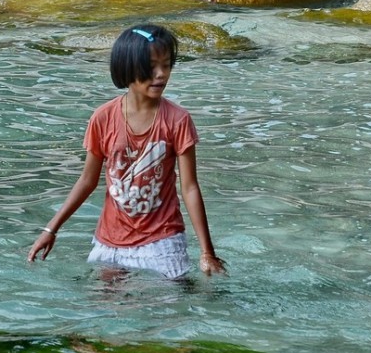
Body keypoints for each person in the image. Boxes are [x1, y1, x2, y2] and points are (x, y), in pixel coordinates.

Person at [28, 24, 226, 279]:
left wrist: (207, 252)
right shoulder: (103, 118)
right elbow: (87, 180)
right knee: (102, 308)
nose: (161, 74)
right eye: (152, 66)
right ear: (128, 69)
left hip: (162, 240)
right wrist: (50, 229)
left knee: (165, 311)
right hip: (110, 241)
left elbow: (189, 187)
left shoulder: (178, 120)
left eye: (166, 65)